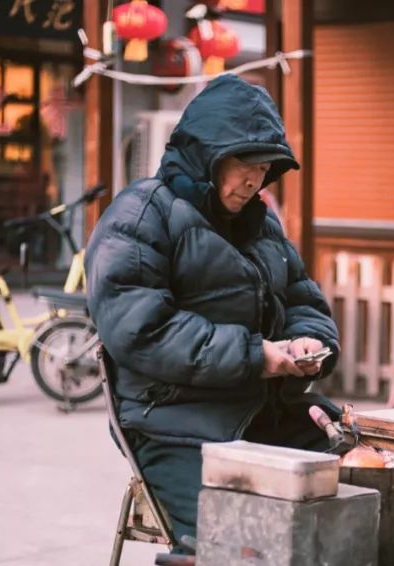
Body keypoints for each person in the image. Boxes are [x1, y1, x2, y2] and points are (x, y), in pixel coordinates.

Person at [85, 75, 340, 547]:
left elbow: (305, 298)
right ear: (208, 153)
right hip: (173, 426)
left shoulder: (261, 225)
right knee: (239, 542)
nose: (253, 180)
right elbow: (143, 330)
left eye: (265, 168)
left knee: (368, 480)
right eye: (244, 162)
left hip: (261, 413)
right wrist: (257, 356)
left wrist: (310, 342)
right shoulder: (140, 215)